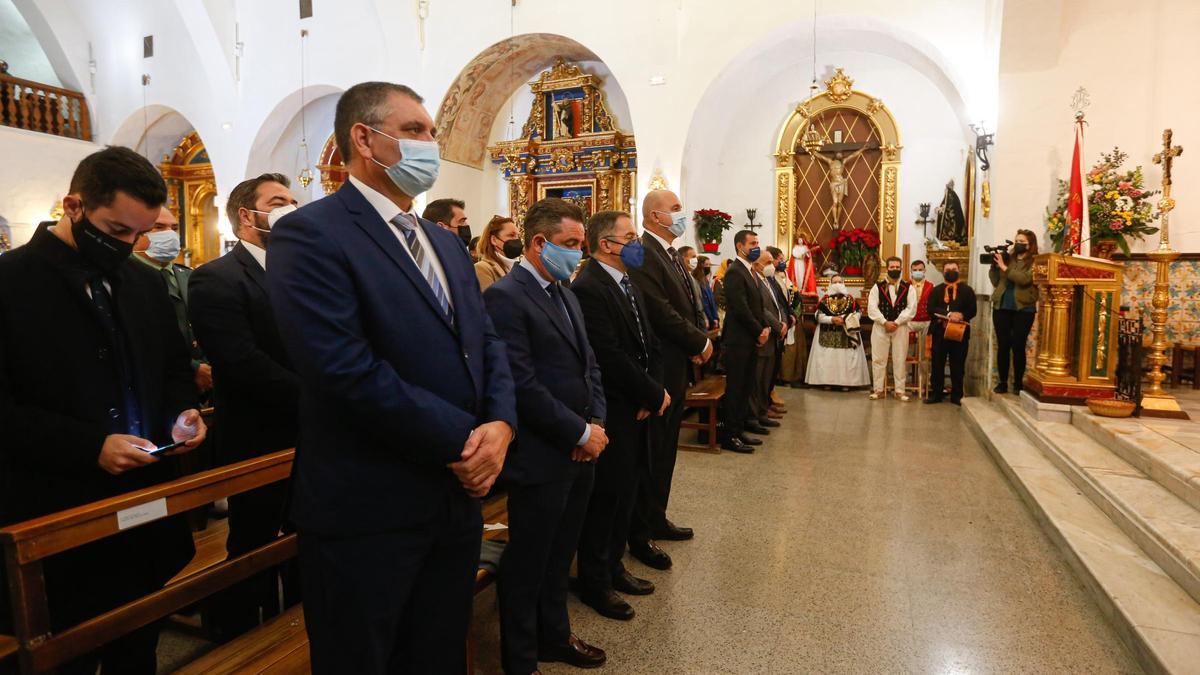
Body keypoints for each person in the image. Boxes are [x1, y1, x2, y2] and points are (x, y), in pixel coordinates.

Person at [267, 82, 517, 674]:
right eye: (415, 132)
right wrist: (465, 439)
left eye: (431, 132)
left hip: (454, 500)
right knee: (364, 659)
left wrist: (502, 423)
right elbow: (342, 368)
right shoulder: (312, 233)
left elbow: (486, 341)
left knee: (437, 655)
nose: (431, 144)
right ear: (365, 138)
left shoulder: (443, 242)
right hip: (368, 504)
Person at [0, 146, 207, 673]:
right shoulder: (11, 282)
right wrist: (89, 445)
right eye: (116, 231)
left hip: (141, 508)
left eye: (138, 234)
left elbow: (172, 369)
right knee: (64, 655)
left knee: (136, 647)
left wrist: (183, 414)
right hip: (51, 510)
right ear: (73, 205)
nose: (129, 246)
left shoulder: (142, 280)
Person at [483, 198, 609, 673]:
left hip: (580, 450)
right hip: (541, 453)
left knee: (560, 555)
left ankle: (554, 636)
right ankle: (519, 658)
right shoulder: (507, 297)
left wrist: (595, 426)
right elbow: (520, 382)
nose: (579, 253)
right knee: (529, 561)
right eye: (571, 244)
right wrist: (577, 431)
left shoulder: (565, 291)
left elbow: (589, 365)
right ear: (539, 243)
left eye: (580, 244)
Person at [187, 172, 301, 638]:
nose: (291, 207)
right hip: (258, 432)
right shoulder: (216, 277)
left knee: (304, 534)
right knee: (253, 540)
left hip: (309, 432)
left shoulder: (299, 271)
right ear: (246, 216)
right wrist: (319, 395)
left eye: (293, 200)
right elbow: (240, 360)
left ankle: (300, 629)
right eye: (279, 201)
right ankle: (239, 638)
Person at [572, 210, 668, 622]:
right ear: (607, 244)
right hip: (613, 406)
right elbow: (607, 354)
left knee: (627, 489)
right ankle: (595, 580)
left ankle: (614, 566)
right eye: (630, 236)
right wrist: (646, 390)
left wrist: (654, 387)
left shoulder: (627, 281)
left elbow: (649, 340)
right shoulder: (590, 286)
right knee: (607, 496)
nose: (637, 244)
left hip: (636, 403)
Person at [625, 189, 711, 567]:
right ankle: (640, 534)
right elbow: (658, 311)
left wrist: (697, 339)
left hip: (678, 365)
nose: (681, 214)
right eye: (675, 209)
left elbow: (685, 305)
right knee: (652, 452)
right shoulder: (643, 253)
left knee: (666, 451)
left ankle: (657, 518)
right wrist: (698, 341)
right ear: (655, 216)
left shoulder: (670, 253)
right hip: (658, 367)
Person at [133, 206, 211, 398]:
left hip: (205, 385)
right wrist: (192, 369)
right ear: (136, 231)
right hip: (156, 385)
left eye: (174, 228)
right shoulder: (126, 276)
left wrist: (207, 366)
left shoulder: (188, 275)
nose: (169, 234)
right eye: (158, 227)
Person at [720, 229, 770, 453]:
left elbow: (756, 305)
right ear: (740, 246)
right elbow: (740, 308)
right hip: (738, 340)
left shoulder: (750, 271)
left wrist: (763, 329)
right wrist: (758, 331)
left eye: (757, 242)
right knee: (735, 388)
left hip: (750, 339)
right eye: (752, 243)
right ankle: (729, 435)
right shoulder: (734, 272)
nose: (756, 247)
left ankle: (739, 430)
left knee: (746, 387)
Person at [991, 229, 1039, 394]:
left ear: (1030, 244)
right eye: (1016, 240)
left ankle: (1018, 383)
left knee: (1018, 346)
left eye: (1022, 241)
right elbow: (996, 281)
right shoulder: (1008, 259)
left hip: (1023, 309)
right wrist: (995, 267)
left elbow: (1025, 279)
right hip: (1002, 306)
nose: (1018, 244)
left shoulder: (1035, 261)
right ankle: (1002, 382)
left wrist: (1004, 267)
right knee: (1003, 345)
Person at [805, 275, 871, 389]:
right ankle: (826, 382)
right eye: (835, 282)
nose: (838, 285)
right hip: (827, 332)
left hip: (847, 333)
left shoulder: (851, 300)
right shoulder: (824, 300)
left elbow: (858, 313)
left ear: (844, 284)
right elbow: (818, 316)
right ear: (830, 284)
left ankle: (846, 383)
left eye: (840, 282)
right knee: (827, 359)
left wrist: (847, 318)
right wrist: (831, 319)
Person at [926, 261, 977, 405]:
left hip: (959, 333)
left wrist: (961, 315)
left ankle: (957, 395)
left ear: (959, 270)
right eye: (948, 269)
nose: (951, 271)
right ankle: (936, 394)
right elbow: (931, 309)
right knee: (937, 364)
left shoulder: (967, 290)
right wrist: (949, 314)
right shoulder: (936, 290)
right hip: (939, 332)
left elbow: (973, 310)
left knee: (958, 365)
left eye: (954, 269)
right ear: (943, 272)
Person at [867, 256, 917, 401]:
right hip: (880, 327)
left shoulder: (909, 288)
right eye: (892, 267)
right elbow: (872, 308)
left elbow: (911, 308)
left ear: (901, 268)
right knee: (878, 359)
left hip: (900, 328)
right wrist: (884, 322)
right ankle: (878, 389)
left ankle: (900, 391)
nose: (895, 269)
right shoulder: (877, 287)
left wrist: (896, 321)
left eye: (897, 267)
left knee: (900, 358)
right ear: (887, 268)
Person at [750, 248, 785, 430]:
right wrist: (779, 326)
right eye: (768, 262)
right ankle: (755, 416)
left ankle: (763, 411)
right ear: (757, 265)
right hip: (764, 334)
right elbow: (762, 309)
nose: (772, 266)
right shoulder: (756, 281)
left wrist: (784, 321)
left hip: (774, 335)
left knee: (766, 379)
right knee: (757, 380)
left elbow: (778, 304)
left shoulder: (768, 281)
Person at [769, 245, 806, 387]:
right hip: (780, 320)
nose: (783, 262)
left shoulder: (786, 276)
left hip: (791, 319)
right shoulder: (771, 277)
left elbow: (794, 295)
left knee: (793, 349)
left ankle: (793, 376)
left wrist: (794, 315)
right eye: (780, 259)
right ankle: (780, 378)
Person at [475, 214, 521, 291]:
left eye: (517, 236)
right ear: (494, 240)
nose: (516, 239)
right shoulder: (482, 268)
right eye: (511, 235)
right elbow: (491, 301)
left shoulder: (520, 265)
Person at [908, 259, 933, 391]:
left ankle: (924, 383)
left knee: (924, 355)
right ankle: (903, 382)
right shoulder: (905, 285)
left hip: (925, 322)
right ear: (911, 271)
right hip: (909, 322)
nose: (918, 272)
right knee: (904, 352)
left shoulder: (930, 286)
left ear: (924, 271)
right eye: (915, 270)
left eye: (920, 270)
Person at [692, 254, 719, 331]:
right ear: (700, 265)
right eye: (706, 264)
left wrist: (715, 317)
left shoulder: (705, 280)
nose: (708, 267)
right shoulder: (697, 280)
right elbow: (703, 302)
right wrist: (710, 318)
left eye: (709, 264)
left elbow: (711, 300)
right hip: (707, 318)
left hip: (712, 317)